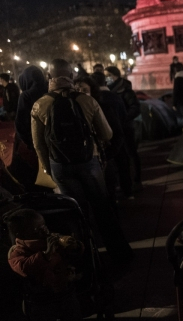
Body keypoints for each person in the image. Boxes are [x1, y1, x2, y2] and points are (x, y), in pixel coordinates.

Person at [31, 59, 133, 268]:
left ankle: (84, 262)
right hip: (89, 162)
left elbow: (38, 145)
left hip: (59, 166)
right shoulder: (86, 101)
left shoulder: (40, 104)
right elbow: (107, 134)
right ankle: (120, 255)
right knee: (103, 209)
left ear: (49, 77)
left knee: (74, 214)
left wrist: (47, 170)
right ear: (72, 76)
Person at [7, 209, 86, 321]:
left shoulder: (51, 240)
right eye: (37, 229)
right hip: (41, 297)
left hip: (64, 288)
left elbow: (71, 251)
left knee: (73, 319)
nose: (44, 231)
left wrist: (74, 245)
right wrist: (45, 253)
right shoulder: (17, 251)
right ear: (21, 234)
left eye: (44, 226)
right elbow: (23, 267)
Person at [75, 74, 131, 204]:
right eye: (77, 90)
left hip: (103, 160)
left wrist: (108, 155)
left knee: (107, 198)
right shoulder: (72, 110)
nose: (81, 94)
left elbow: (117, 134)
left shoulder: (103, 107)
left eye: (84, 90)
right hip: (84, 163)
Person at [105, 66, 143, 192]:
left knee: (131, 153)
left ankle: (137, 180)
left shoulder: (125, 90)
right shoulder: (109, 90)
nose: (107, 78)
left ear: (114, 75)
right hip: (115, 129)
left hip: (126, 128)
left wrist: (122, 118)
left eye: (108, 75)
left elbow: (135, 108)